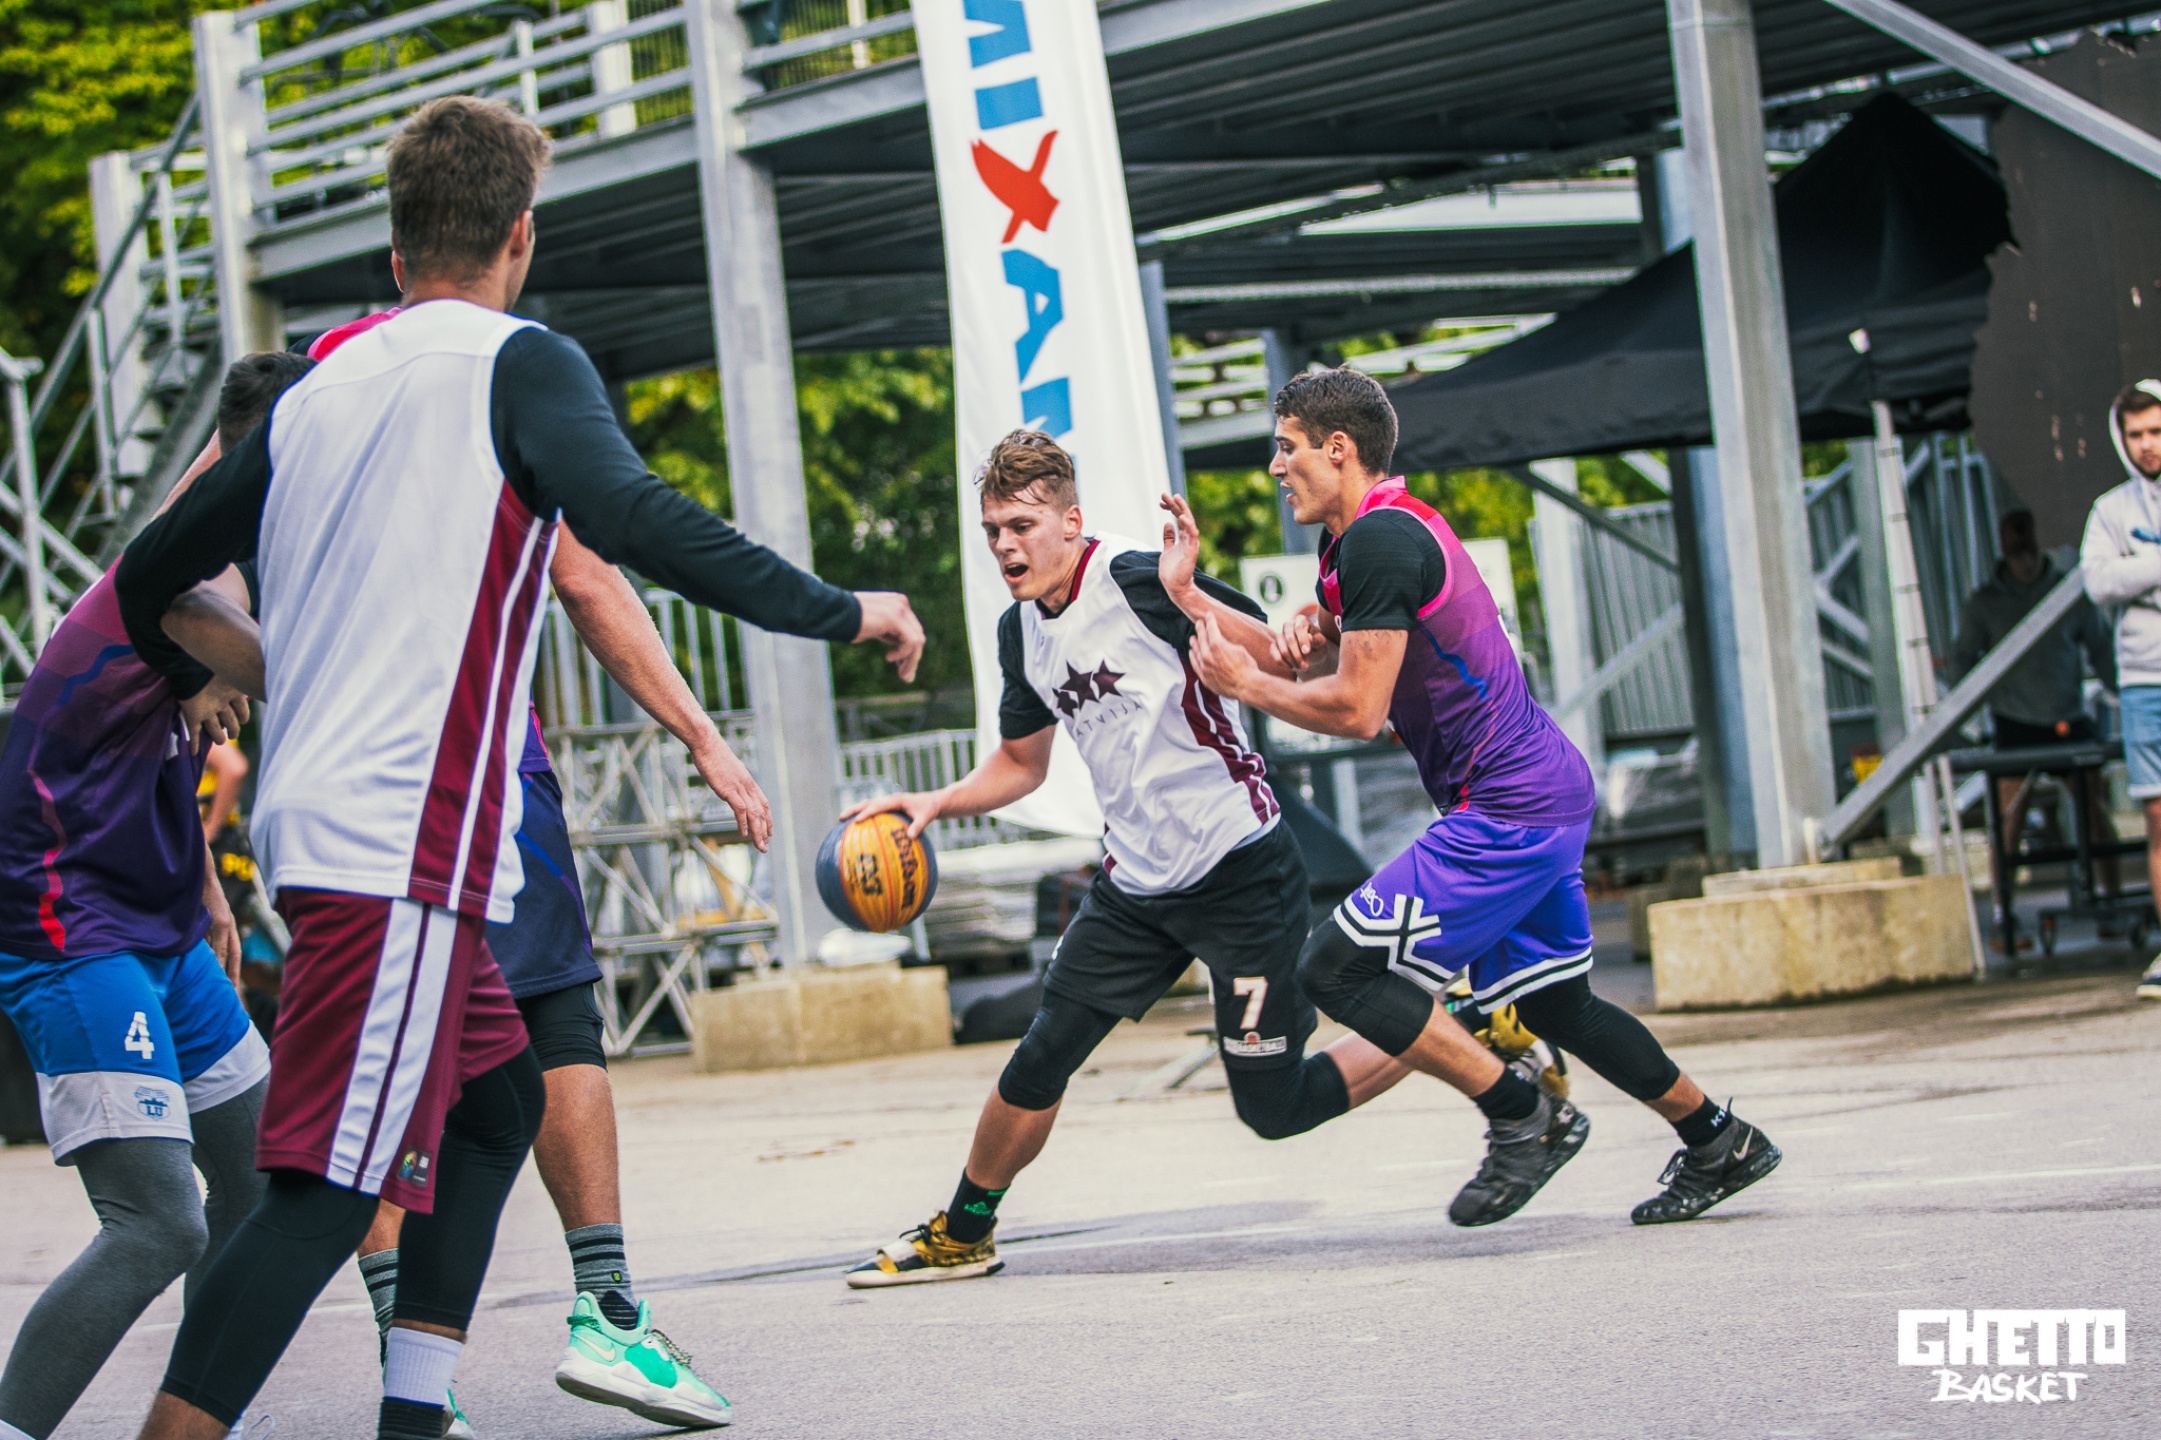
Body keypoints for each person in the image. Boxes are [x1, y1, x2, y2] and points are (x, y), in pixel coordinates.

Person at [112, 95, 923, 1440]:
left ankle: (416, 1414)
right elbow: (634, 525)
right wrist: (844, 610)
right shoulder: (517, 362)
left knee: (495, 1109)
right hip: (399, 845)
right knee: (319, 1193)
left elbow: (152, 570)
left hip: (347, 833)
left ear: (395, 249)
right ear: (520, 237)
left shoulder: (318, 384)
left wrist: (258, 669)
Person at [1190, 367, 1781, 1227]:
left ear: (1337, 448)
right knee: (1555, 1002)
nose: (1275, 467)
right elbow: (1313, 654)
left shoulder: (1377, 544)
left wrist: (1246, 687)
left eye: (1286, 449)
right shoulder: (1363, 539)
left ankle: (1524, 1117)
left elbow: (1356, 710)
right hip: (1537, 793)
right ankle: (1718, 1140)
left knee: (1335, 968)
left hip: (1509, 808)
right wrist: (1197, 599)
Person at [840, 430, 1423, 1286]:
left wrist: (1195, 598)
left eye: (1021, 525)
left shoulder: (1139, 579)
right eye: (992, 529)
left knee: (1275, 1106)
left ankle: (1446, 1019)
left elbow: (1286, 655)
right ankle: (963, 1231)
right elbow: (1021, 765)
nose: (1004, 545)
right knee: (1042, 1053)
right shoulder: (1019, 633)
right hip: (1136, 886)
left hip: (1238, 866)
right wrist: (931, 803)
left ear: (1070, 523)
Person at [0, 351, 312, 1440]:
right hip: (70, 931)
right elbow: (300, 675)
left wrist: (206, 888)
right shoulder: (169, 580)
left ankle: (188, 1420)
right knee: (158, 1224)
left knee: (259, 1184)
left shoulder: (221, 555)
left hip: (165, 926)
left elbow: (155, 746)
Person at [1949, 507, 2119, 935]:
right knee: (2008, 820)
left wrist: (2122, 691)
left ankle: (2112, 899)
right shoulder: (1985, 604)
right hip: (2015, 723)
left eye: (2027, 542)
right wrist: (1969, 717)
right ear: (2002, 547)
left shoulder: (2067, 594)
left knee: (2096, 814)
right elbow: (1962, 662)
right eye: (2014, 545)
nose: (2022, 553)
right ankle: (2003, 916)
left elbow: (2102, 650)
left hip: (2067, 718)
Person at [2080, 379, 2161, 999]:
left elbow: (2120, 577)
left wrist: (2136, 573)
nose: (2147, 444)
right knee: (2157, 817)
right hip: (2143, 680)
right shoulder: (2111, 510)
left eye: (2156, 431)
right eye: (2136, 434)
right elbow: (2099, 582)